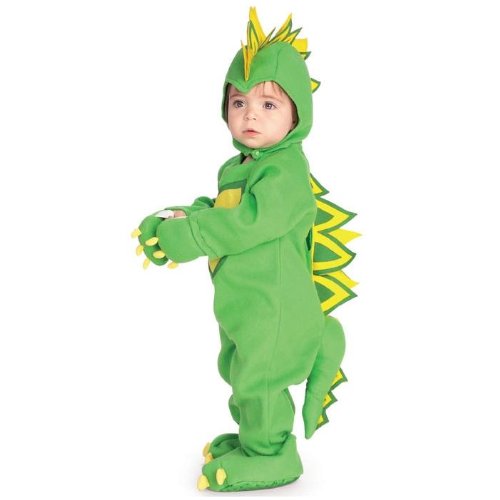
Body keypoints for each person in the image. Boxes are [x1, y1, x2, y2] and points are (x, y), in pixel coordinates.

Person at [132, 8, 356, 492]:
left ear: (298, 115)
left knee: (260, 378)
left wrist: (191, 237)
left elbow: (249, 221)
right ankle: (254, 439)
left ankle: (273, 453)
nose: (250, 113)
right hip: (245, 307)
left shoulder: (284, 171)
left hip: (275, 309)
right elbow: (221, 209)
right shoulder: (240, 166)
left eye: (269, 104)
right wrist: (178, 219)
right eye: (239, 101)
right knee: (240, 371)